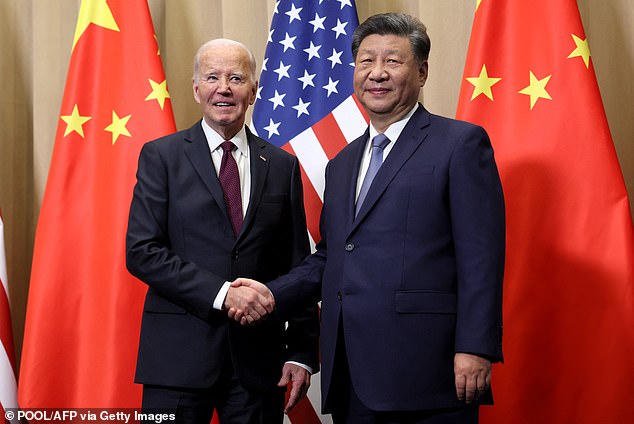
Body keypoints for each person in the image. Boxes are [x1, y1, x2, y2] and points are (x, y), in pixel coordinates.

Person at [230, 13, 505, 424]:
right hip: (352, 374)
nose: (377, 73)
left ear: (422, 72)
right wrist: (271, 294)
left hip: (428, 371)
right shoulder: (341, 163)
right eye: (365, 62)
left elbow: (481, 256)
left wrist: (475, 347)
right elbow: (331, 255)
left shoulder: (460, 145)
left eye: (392, 61)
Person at [125, 38, 319, 424]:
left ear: (253, 89)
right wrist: (223, 294)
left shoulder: (281, 165)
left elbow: (297, 266)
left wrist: (300, 351)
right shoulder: (161, 156)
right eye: (212, 77)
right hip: (178, 361)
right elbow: (142, 251)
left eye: (235, 77)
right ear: (196, 89)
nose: (224, 88)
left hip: (258, 364)